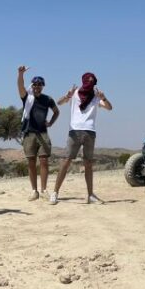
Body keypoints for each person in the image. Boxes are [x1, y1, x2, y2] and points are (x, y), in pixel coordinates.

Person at [50, 72, 113, 205]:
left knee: (88, 164)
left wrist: (104, 98)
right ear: (83, 80)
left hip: (90, 131)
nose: (90, 83)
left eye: (92, 81)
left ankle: (90, 195)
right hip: (75, 131)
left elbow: (109, 108)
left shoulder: (96, 97)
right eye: (88, 80)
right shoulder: (74, 93)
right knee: (66, 161)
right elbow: (59, 102)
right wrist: (67, 95)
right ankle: (55, 193)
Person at [17, 66, 59, 200]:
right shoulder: (27, 98)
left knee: (44, 161)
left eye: (40, 84)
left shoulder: (48, 99)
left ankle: (44, 190)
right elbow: (20, 86)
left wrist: (51, 122)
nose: (37, 86)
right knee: (31, 163)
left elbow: (56, 111)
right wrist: (20, 74)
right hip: (29, 133)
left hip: (43, 133)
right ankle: (34, 191)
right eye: (35, 84)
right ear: (32, 85)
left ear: (43, 86)